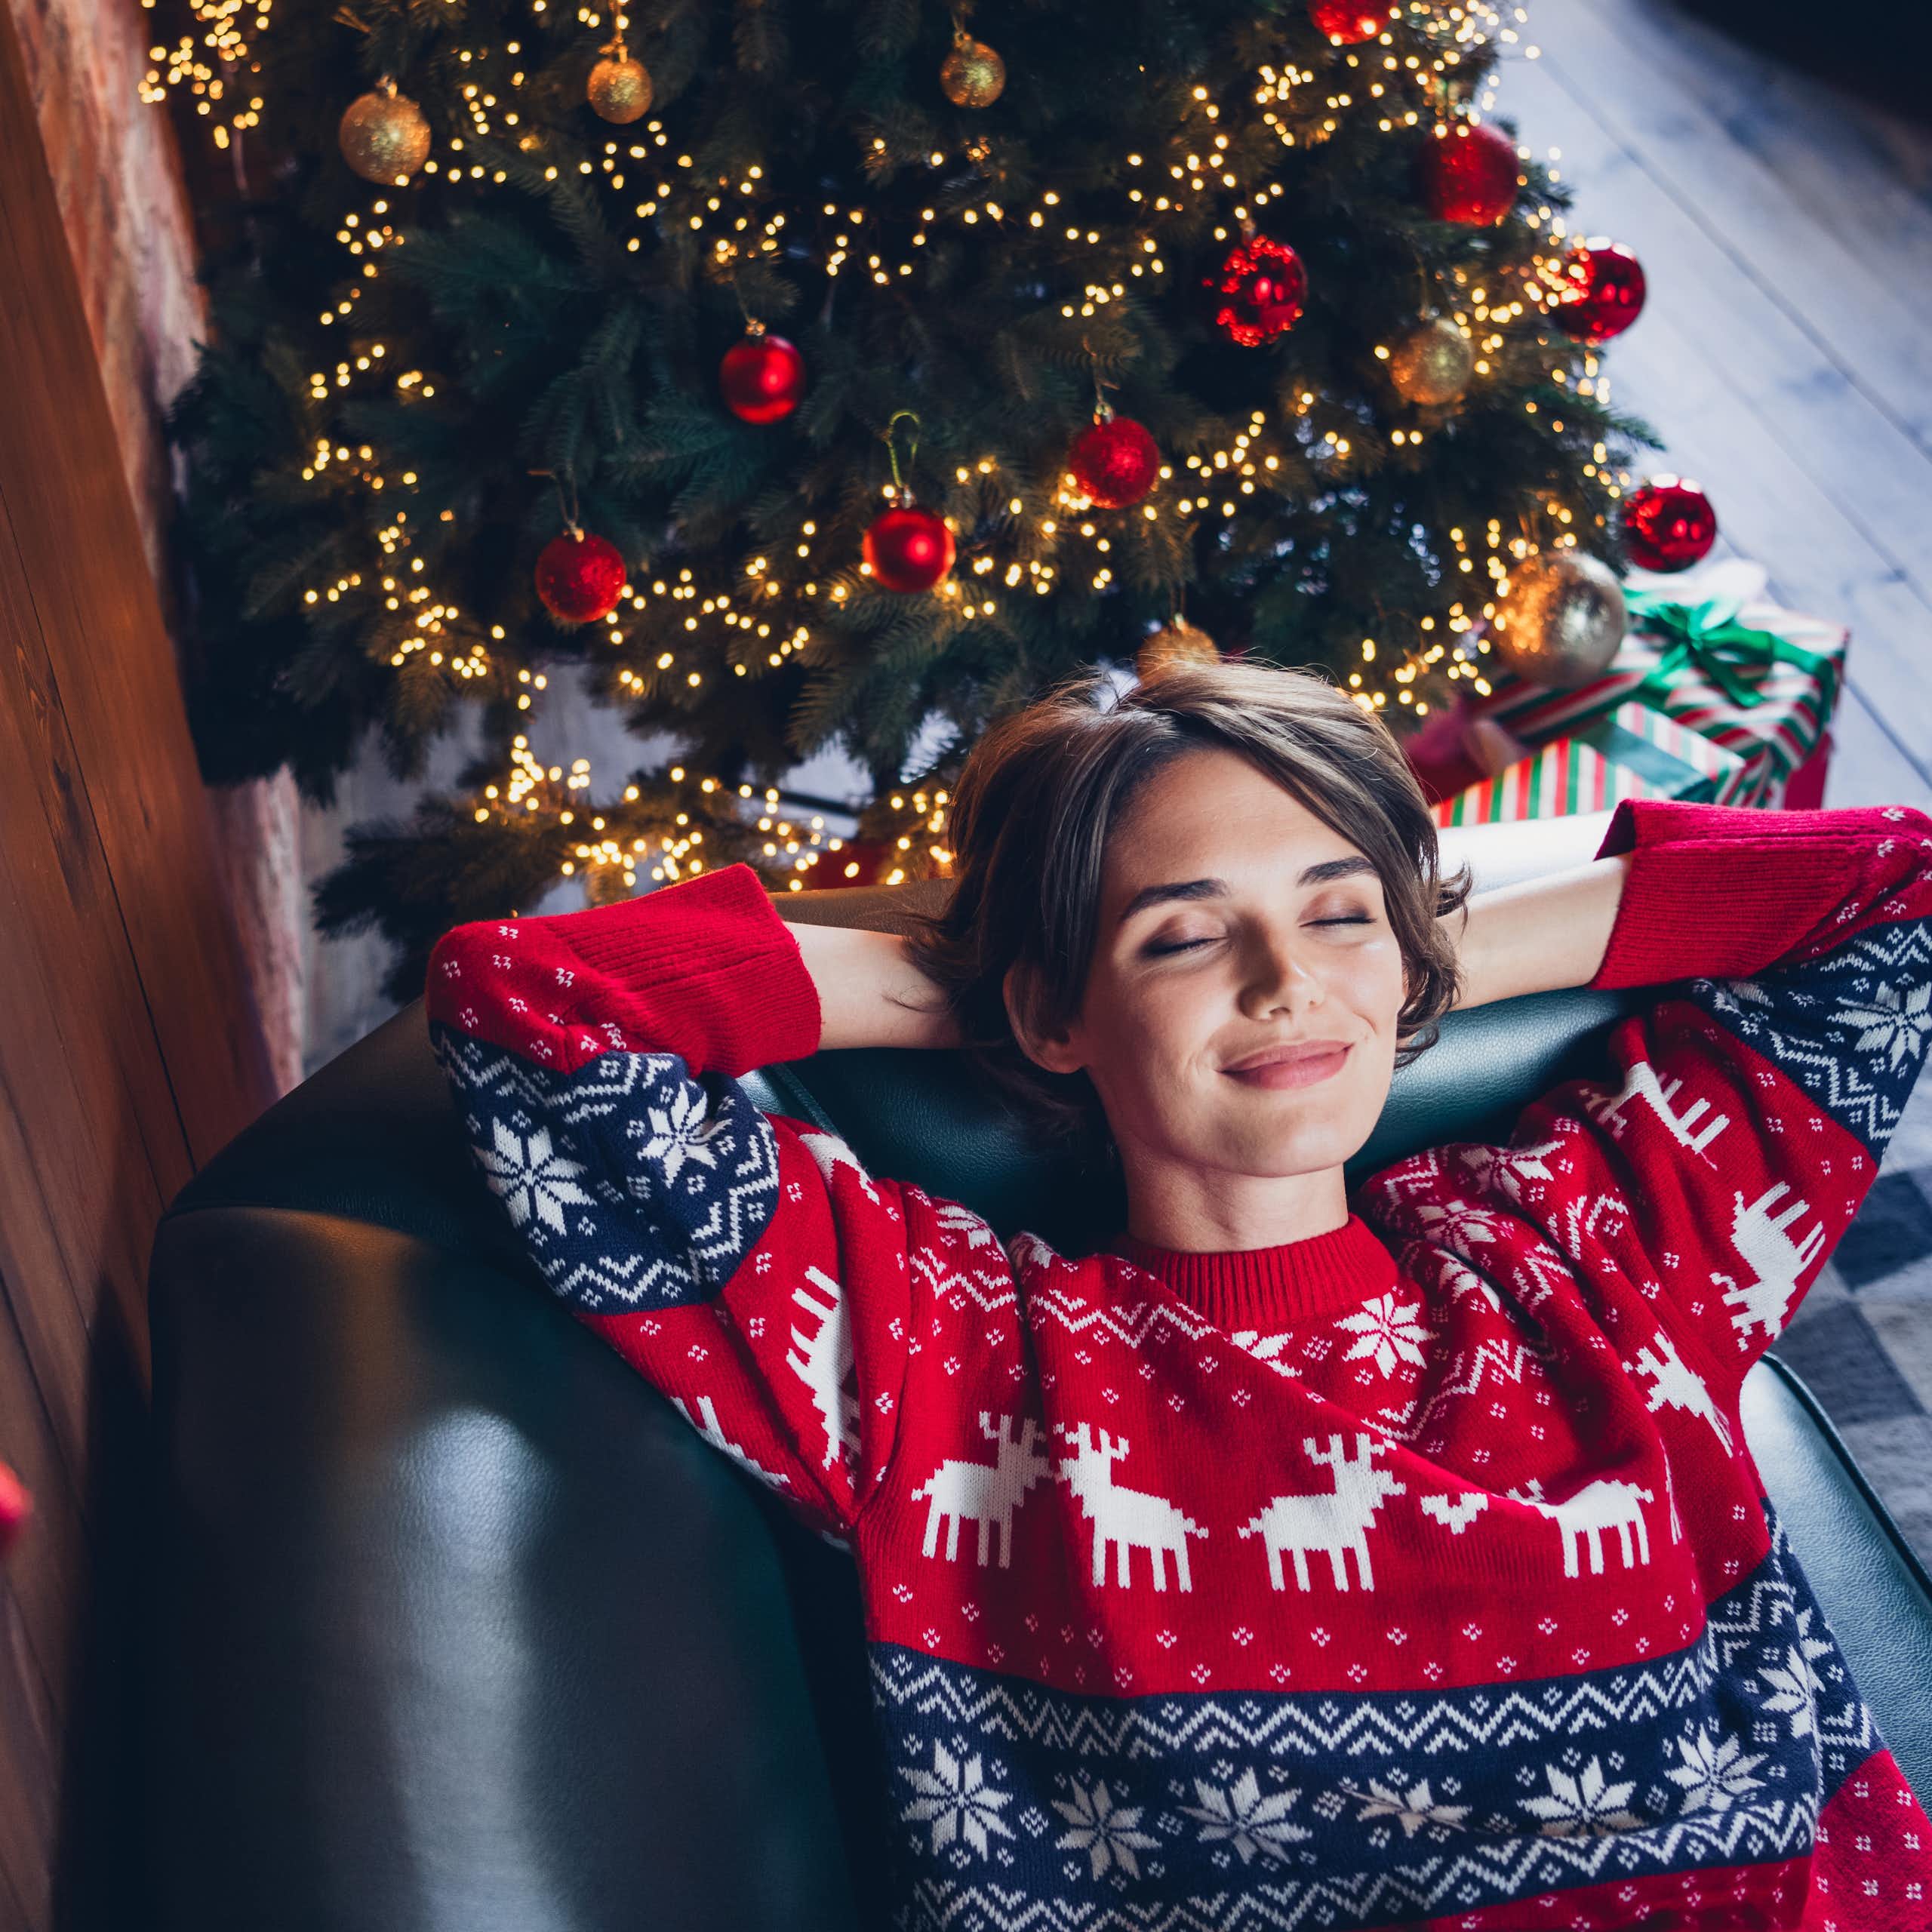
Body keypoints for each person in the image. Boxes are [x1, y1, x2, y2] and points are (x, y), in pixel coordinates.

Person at [424, 660, 1932, 1929]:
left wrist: (1401, 959)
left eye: (1329, 908)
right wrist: (1010, 988)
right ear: (1052, 1005)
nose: (1281, 980)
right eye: (1185, 932)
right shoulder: (946, 1354)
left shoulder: (1596, 1242)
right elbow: (532, 1005)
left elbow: (1894, 890)